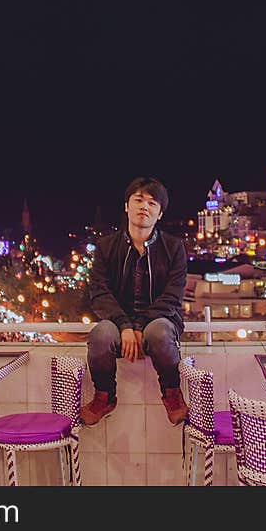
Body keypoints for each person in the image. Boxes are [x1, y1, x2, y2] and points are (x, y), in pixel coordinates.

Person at [80, 176, 189, 427]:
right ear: (126, 206)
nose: (144, 207)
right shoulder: (106, 247)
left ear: (160, 213)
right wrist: (125, 325)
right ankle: (105, 396)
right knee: (100, 335)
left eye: (152, 203)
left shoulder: (173, 248)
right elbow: (99, 292)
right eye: (138, 200)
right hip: (118, 322)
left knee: (160, 333)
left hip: (159, 321)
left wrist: (139, 326)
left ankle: (172, 393)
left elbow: (173, 295)